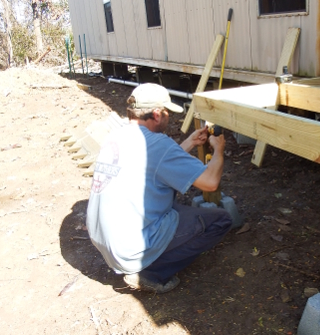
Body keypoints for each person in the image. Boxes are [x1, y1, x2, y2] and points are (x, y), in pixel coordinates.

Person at [87, 83, 232, 293]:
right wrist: (219, 149)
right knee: (220, 220)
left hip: (105, 240)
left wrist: (189, 143)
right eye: (166, 113)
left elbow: (156, 167)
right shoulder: (158, 144)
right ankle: (151, 273)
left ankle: (145, 258)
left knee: (169, 198)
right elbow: (210, 182)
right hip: (129, 250)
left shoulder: (116, 135)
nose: (168, 118)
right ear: (156, 114)